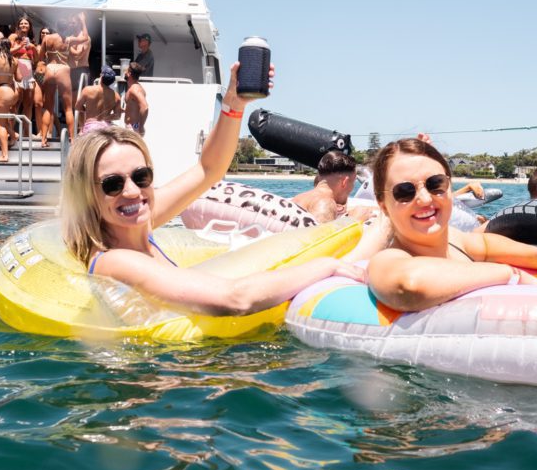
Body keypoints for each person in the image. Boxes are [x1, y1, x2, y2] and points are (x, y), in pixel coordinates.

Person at [61, 63, 363, 315]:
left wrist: (233, 105)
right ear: (88, 193)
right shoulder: (117, 259)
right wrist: (326, 266)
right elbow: (236, 300)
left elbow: (208, 170)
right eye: (112, 184)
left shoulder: (141, 221)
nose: (131, 191)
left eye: (141, 176)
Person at [344, 138, 537, 312]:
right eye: (405, 191)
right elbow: (410, 285)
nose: (425, 199)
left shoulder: (456, 241)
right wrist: (508, 274)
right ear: (383, 205)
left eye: (436, 184)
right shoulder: (389, 259)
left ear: (450, 187)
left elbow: (485, 244)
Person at [39, 13, 88, 146]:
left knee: (48, 108)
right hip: (63, 70)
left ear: (56, 26)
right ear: (66, 28)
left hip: (50, 68)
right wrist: (83, 21)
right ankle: (72, 139)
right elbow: (85, 38)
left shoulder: (47, 38)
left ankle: (43, 139)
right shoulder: (69, 39)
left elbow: (40, 56)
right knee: (68, 108)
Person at [292, 151, 375, 223]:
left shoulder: (298, 198)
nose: (352, 188)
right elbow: (322, 240)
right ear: (344, 182)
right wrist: (354, 220)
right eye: (352, 182)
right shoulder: (325, 204)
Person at [0, 39, 21, 162]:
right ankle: (13, 134)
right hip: (12, 92)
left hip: (2, 90)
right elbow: (19, 78)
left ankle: (4, 155)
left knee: (1, 124)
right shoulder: (14, 60)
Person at [8, 16, 37, 137]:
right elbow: (8, 52)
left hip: (28, 69)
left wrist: (33, 48)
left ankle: (26, 132)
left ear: (29, 26)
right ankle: (10, 131)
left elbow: (35, 59)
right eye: (22, 23)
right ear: (18, 25)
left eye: (26, 24)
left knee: (28, 103)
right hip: (17, 68)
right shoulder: (13, 37)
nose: (24, 25)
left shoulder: (32, 40)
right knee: (15, 102)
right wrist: (21, 46)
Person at [75, 65, 121, 134]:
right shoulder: (116, 96)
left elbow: (77, 107)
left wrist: (86, 110)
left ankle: (82, 128)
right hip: (106, 128)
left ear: (101, 77)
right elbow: (117, 116)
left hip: (90, 126)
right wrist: (106, 117)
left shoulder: (88, 90)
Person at [68, 12, 91, 105]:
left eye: (73, 23)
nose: (71, 25)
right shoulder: (71, 38)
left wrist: (68, 47)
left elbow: (77, 56)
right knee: (72, 103)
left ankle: (82, 120)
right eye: (70, 23)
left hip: (81, 70)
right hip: (71, 71)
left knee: (80, 104)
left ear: (79, 23)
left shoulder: (86, 38)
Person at [123, 61, 148, 135]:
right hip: (131, 127)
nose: (124, 72)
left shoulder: (134, 89)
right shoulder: (134, 87)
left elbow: (145, 107)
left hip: (133, 128)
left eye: (126, 70)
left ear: (129, 74)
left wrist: (141, 126)